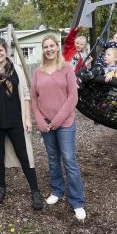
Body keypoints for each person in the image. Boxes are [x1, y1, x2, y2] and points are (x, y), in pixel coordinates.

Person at [0, 37, 43, 210]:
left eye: (0, 50)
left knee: (24, 155)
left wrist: (27, 118)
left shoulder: (16, 69)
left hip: (15, 119)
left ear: (6, 51)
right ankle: (1, 187)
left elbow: (26, 95)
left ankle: (35, 190)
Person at [31, 34, 86, 221]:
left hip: (65, 124)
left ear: (57, 47)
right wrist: (39, 120)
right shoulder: (38, 72)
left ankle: (77, 201)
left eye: (52, 46)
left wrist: (57, 120)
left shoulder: (67, 68)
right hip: (46, 124)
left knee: (69, 161)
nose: (49, 49)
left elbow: (73, 98)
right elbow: (34, 99)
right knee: (53, 158)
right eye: (45, 46)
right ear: (43, 49)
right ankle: (57, 190)